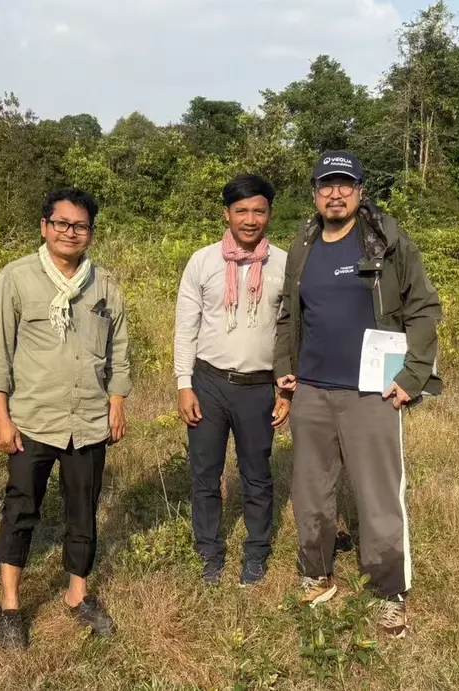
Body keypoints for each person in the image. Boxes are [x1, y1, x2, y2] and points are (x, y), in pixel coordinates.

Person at [274, 150, 442, 638]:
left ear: (360, 191)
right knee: (310, 492)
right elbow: (288, 314)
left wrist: (413, 375)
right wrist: (284, 369)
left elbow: (424, 309)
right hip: (312, 391)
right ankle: (317, 574)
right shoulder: (303, 245)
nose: (336, 193)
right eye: (326, 185)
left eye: (345, 184)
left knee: (378, 497)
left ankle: (391, 593)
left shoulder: (387, 243)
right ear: (315, 193)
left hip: (373, 394)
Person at [0, 188, 131, 649]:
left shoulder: (104, 285)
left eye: (80, 225)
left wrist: (117, 403)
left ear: (91, 233)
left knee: (83, 510)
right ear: (45, 227)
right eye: (62, 223)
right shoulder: (17, 278)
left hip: (88, 421)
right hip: (33, 419)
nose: (70, 232)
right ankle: (10, 606)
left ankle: (77, 594)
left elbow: (119, 350)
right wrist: (1, 417)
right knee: (21, 509)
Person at [174, 174, 290, 587]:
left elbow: (290, 333)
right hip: (207, 382)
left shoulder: (284, 264)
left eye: (259, 211)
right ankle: (209, 551)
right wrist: (183, 384)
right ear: (227, 214)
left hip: (258, 387)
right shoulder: (203, 261)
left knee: (257, 474)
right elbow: (186, 326)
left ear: (270, 214)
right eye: (241, 210)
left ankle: (256, 551)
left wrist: (286, 390)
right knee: (205, 473)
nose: (250, 219)